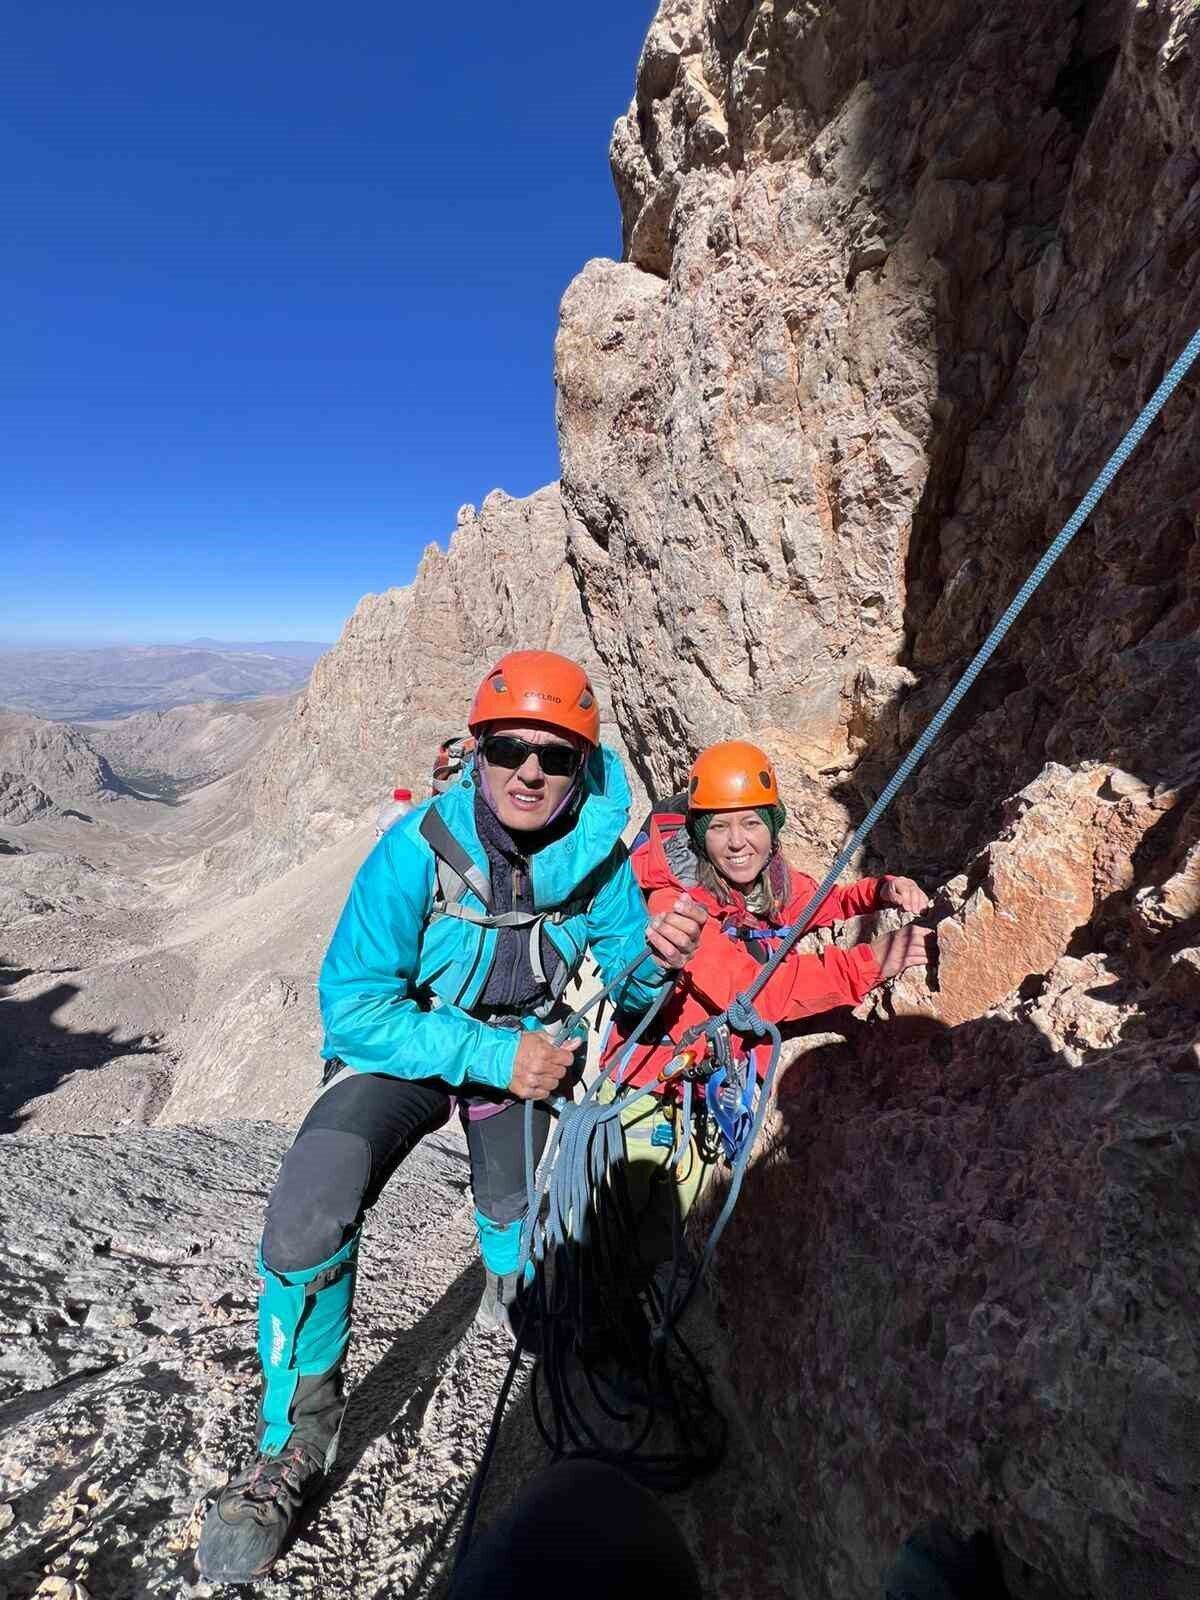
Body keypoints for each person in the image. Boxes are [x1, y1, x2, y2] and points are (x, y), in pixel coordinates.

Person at [196, 650, 706, 1585]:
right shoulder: (414, 852)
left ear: (582, 768)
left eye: (554, 757)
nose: (528, 772)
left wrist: (659, 965)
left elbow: (630, 990)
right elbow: (353, 1006)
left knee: (515, 1201)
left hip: (521, 1058)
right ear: (477, 750)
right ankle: (293, 1444)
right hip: (408, 1048)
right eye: (509, 748)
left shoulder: (596, 857)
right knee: (308, 1210)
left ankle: (518, 1299)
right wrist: (492, 1054)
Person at [601, 738, 931, 1270]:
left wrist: (878, 891)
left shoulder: (765, 881)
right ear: (697, 834)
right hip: (660, 1089)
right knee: (652, 1243)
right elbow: (757, 994)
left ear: (772, 828)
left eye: (751, 824)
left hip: (716, 1077)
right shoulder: (673, 902)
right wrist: (871, 963)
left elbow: (813, 901)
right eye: (720, 827)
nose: (737, 843)